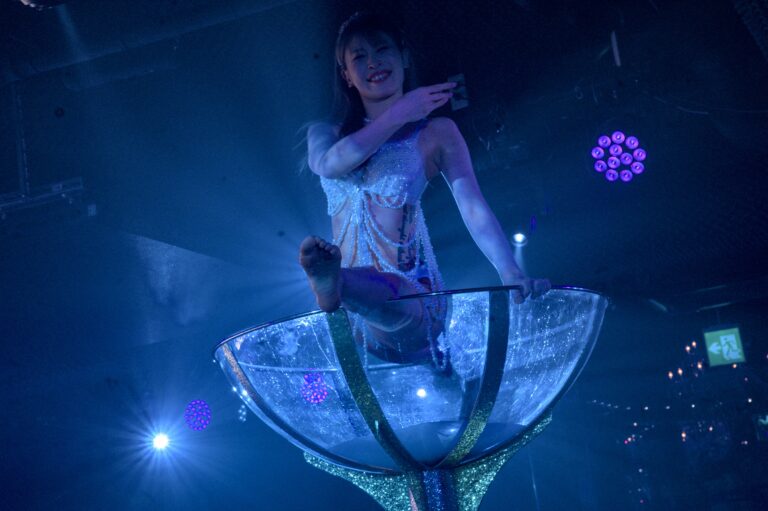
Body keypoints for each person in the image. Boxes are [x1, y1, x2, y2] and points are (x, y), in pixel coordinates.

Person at [300, 12, 550, 365]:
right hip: (355, 320)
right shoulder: (324, 134)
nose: (373, 63)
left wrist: (510, 271)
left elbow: (472, 206)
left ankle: (335, 284)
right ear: (347, 76)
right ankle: (337, 285)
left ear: (403, 56)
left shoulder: (437, 133)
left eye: (382, 50)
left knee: (388, 289)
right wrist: (399, 112)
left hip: (414, 299)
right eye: (359, 57)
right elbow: (330, 165)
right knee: (360, 289)